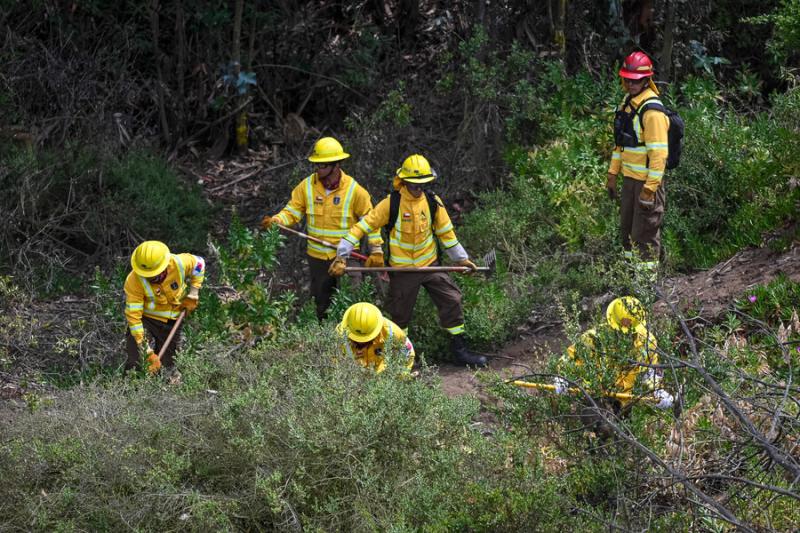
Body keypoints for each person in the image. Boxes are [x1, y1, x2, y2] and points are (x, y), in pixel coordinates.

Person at [331, 154, 487, 367]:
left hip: (430, 265)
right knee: (399, 317)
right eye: (414, 185)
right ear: (404, 182)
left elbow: (447, 236)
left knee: (452, 300)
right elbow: (364, 226)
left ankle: (460, 351)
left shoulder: (433, 203)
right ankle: (403, 359)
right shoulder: (391, 204)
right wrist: (342, 254)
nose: (418, 189)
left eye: (423, 184)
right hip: (402, 270)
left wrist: (463, 260)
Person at [261, 137, 383, 320]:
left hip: (348, 257)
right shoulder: (307, 186)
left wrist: (376, 249)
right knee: (321, 305)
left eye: (322, 166)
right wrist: (277, 220)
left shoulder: (354, 190)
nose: (318, 170)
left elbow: (371, 221)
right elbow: (292, 211)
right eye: (316, 165)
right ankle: (323, 343)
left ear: (336, 165)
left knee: (354, 303)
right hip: (318, 259)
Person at [606, 51, 669, 281]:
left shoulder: (652, 111)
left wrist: (650, 189)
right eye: (627, 79)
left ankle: (646, 290)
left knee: (645, 236)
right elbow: (620, 145)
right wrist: (613, 174)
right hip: (630, 181)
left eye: (636, 80)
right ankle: (629, 281)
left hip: (646, 185)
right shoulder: (627, 104)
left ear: (646, 79)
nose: (631, 84)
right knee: (628, 234)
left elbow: (659, 155)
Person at [554, 296, 673, 415]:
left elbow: (651, 372)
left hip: (628, 402)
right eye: (620, 331)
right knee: (600, 425)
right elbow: (569, 358)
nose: (625, 335)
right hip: (596, 398)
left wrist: (657, 390)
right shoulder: (594, 338)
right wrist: (562, 377)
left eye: (630, 332)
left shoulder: (648, 342)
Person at [124, 240, 205, 373]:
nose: (149, 278)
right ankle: (130, 388)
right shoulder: (133, 281)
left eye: (153, 274)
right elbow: (133, 317)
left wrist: (194, 293)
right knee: (136, 360)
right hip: (147, 320)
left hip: (172, 321)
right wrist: (146, 350)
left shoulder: (178, 263)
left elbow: (199, 264)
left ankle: (161, 387)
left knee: (167, 364)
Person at [337, 302, 415, 373]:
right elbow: (331, 361)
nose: (361, 342)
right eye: (356, 338)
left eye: (365, 339)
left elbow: (408, 354)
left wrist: (401, 377)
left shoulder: (391, 331)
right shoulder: (338, 335)